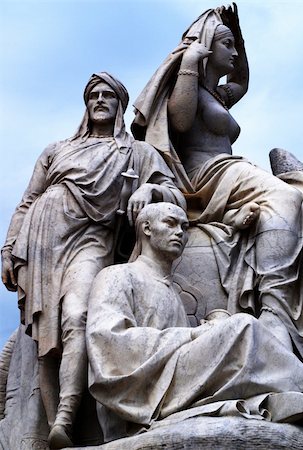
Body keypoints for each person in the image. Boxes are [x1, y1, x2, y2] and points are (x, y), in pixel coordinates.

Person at [131, 5, 303, 375]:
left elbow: (244, 81)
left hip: (229, 168)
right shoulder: (192, 89)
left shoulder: (219, 95)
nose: (233, 54)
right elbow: (181, 120)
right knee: (288, 198)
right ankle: (275, 310)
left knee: (299, 199)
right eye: (227, 45)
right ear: (205, 47)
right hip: (207, 173)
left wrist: (238, 35)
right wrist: (189, 61)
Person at [1, 72, 185, 449]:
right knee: (44, 336)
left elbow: (175, 195)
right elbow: (27, 200)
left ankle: (67, 415)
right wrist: (8, 248)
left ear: (119, 104)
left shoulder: (136, 152)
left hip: (92, 239)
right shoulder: (57, 149)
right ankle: (56, 428)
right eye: (93, 96)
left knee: (77, 316)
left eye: (108, 96)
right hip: (43, 239)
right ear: (86, 105)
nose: (100, 100)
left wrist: (150, 187)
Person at [86, 203, 303, 442]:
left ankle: (293, 397)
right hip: (141, 391)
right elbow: (108, 344)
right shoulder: (117, 276)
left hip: (172, 379)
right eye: (170, 223)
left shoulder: (172, 293)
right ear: (146, 228)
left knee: (237, 335)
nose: (179, 232)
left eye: (185, 227)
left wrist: (208, 329)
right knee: (243, 327)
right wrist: (195, 335)